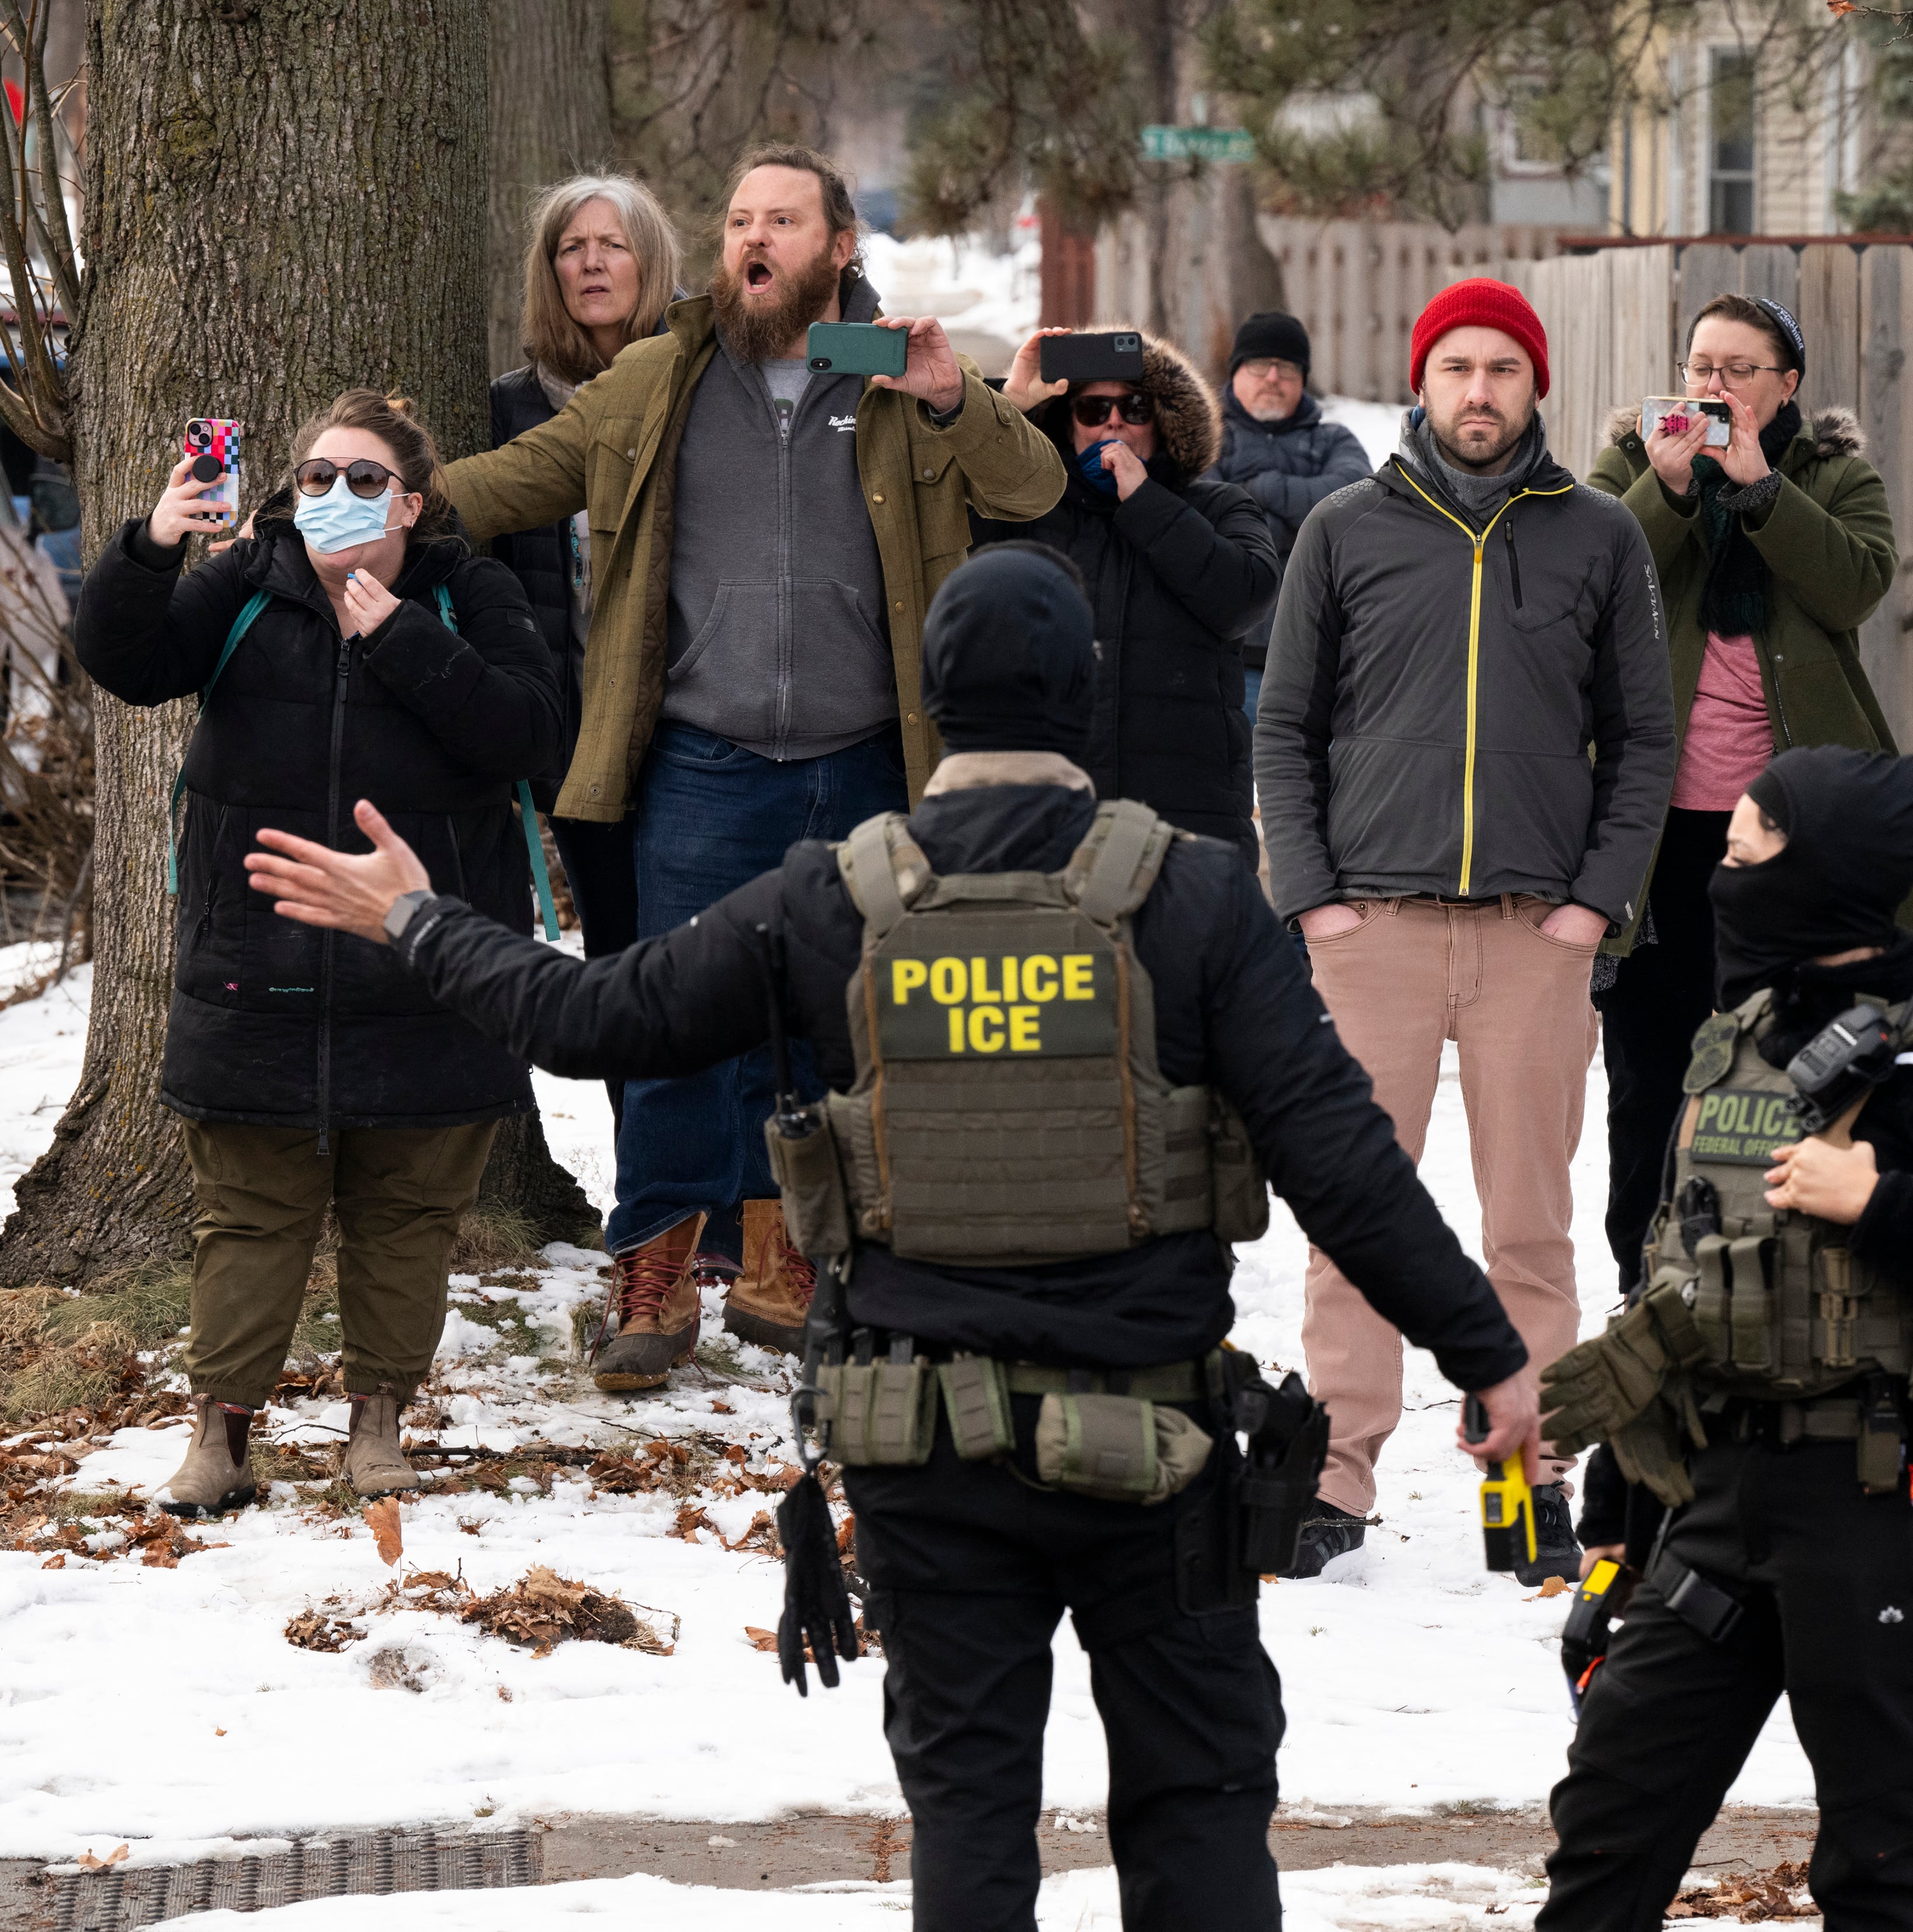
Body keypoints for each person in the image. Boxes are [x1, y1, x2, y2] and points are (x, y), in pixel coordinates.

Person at [240, 543, 1543, 1932]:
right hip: (1153, 1454)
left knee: (972, 1812)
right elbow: (1340, 1159)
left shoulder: (834, 896)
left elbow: (596, 1020)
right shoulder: (1197, 894)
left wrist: (420, 918)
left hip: (925, 1454)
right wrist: (1487, 1354)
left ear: (931, 698)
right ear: (1081, 696)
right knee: (1199, 1801)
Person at [444, 142, 1067, 1386]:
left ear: (839, 246)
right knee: (674, 1022)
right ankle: (656, 1276)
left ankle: (800, 1259)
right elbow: (514, 481)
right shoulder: (666, 372)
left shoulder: (894, 369)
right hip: (707, 761)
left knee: (847, 1023)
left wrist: (955, 400)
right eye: (736, 220)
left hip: (872, 760)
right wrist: (370, 506)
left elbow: (1033, 486)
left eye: (780, 220)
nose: (753, 241)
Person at [1532, 747, 1913, 1932]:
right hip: (1715, 1500)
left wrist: (1882, 1198)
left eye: (1749, 850)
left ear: (1828, 874)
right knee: (1610, 1824)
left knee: (1877, 1862)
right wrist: (1619, 1525)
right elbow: (1671, 1285)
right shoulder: (1725, 1040)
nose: (1723, 872)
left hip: (1876, 1502)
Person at [74, 390, 564, 1515]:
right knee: (247, 1209)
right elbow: (124, 658)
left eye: (362, 480)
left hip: (430, 960)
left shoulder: (466, 590)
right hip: (257, 951)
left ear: (413, 500)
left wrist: (394, 631)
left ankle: (379, 1419)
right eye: (313, 478)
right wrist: (154, 543)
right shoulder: (247, 583)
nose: (333, 498)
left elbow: (531, 732)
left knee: (408, 1213)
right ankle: (220, 1432)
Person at [1255, 276, 1675, 1580]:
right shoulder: (1344, 529)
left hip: (1530, 938)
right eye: (1458, 370)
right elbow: (1284, 728)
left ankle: (1530, 1475)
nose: (1480, 392)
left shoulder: (1599, 535)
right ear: (1423, 384)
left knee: (1530, 1224)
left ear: (1534, 385)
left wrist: (1592, 904)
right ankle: (1335, 1471)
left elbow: (1644, 740)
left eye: (1503, 369)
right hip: (1369, 925)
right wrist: (1313, 899)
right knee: (1352, 1219)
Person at [1585, 290, 1913, 1305]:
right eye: (1702, 365)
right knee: (1652, 1078)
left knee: (1793, 1066)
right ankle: (1645, 1278)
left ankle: (1788, 1278)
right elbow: (1592, 576)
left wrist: (1761, 494)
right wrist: (1669, 488)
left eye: (1740, 369)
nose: (1715, 386)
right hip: (1657, 841)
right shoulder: (1632, 461)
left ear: (1787, 384)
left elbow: (1855, 587)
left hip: (1792, 845)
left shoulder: (1833, 474)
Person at [487, 172, 682, 1121]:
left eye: (613, 244)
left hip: (696, 726)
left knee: (709, 954)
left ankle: (755, 1199)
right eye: (572, 246)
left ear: (651, 264)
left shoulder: (699, 384)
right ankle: (657, 1196)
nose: (592, 261)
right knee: (616, 954)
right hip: (577, 736)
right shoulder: (513, 409)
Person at [978, 325, 1278, 862]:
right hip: (1046, 825)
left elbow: (1245, 598)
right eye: (1092, 410)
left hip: (1186, 831)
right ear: (1064, 425)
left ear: (1162, 422)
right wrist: (1010, 411)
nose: (1114, 421)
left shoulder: (1219, 508)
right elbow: (950, 527)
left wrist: (1144, 500)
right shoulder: (1020, 512)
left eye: (1135, 406)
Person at [1208, 310, 1370, 722]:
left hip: (1318, 668)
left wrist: (1258, 491)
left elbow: (1353, 506)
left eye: (1287, 367)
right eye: (1260, 365)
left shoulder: (1334, 440)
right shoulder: (1204, 438)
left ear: (1302, 378)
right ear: (1236, 372)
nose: (1273, 378)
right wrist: (1304, 525)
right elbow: (1204, 521)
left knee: (1313, 787)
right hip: (1225, 665)